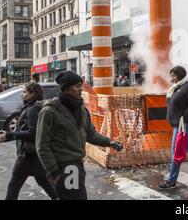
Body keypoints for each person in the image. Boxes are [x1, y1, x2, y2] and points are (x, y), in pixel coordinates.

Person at [36, 71, 123, 200]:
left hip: (76, 164)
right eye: (77, 86)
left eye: (81, 85)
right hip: (64, 166)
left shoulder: (81, 109)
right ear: (66, 88)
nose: (81, 89)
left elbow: (90, 134)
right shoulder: (50, 111)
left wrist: (109, 142)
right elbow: (42, 146)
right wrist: (54, 172)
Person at [0, 82, 58, 200]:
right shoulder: (31, 107)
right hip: (34, 153)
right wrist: (6, 136)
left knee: (14, 183)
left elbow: (32, 133)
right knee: (43, 180)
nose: (21, 95)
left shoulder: (32, 109)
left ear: (32, 94)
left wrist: (9, 135)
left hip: (27, 155)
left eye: (24, 92)